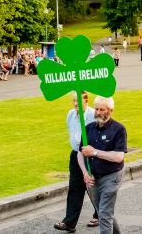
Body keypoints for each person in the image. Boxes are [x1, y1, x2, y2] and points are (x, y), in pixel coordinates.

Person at [78, 97, 127, 234]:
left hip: (111, 177)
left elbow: (118, 157)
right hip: (92, 179)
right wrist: (85, 173)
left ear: (110, 110)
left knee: (104, 215)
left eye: (102, 109)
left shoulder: (118, 129)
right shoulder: (88, 128)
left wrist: (93, 152)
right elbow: (80, 153)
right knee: (103, 212)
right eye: (97, 109)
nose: (98, 112)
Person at [54, 92, 98, 233]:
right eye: (73, 101)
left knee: (93, 187)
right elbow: (71, 131)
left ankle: (100, 215)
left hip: (90, 155)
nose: (75, 104)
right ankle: (70, 223)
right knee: (74, 187)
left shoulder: (93, 114)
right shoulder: (70, 114)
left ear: (86, 101)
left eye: (78, 101)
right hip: (75, 155)